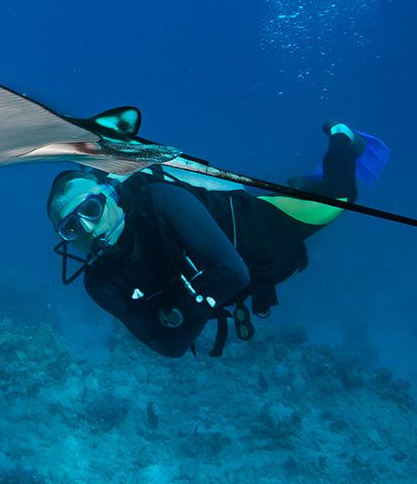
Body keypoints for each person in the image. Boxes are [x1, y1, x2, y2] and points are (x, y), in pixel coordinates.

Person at [48, 123, 383, 358]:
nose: (88, 229)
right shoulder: (100, 283)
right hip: (248, 283)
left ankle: (342, 138)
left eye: (91, 209)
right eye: (72, 229)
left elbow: (233, 274)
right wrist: (195, 303)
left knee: (342, 195)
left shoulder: (160, 201)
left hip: (265, 230)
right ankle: (305, 185)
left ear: (111, 195)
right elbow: (170, 348)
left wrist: (177, 312)